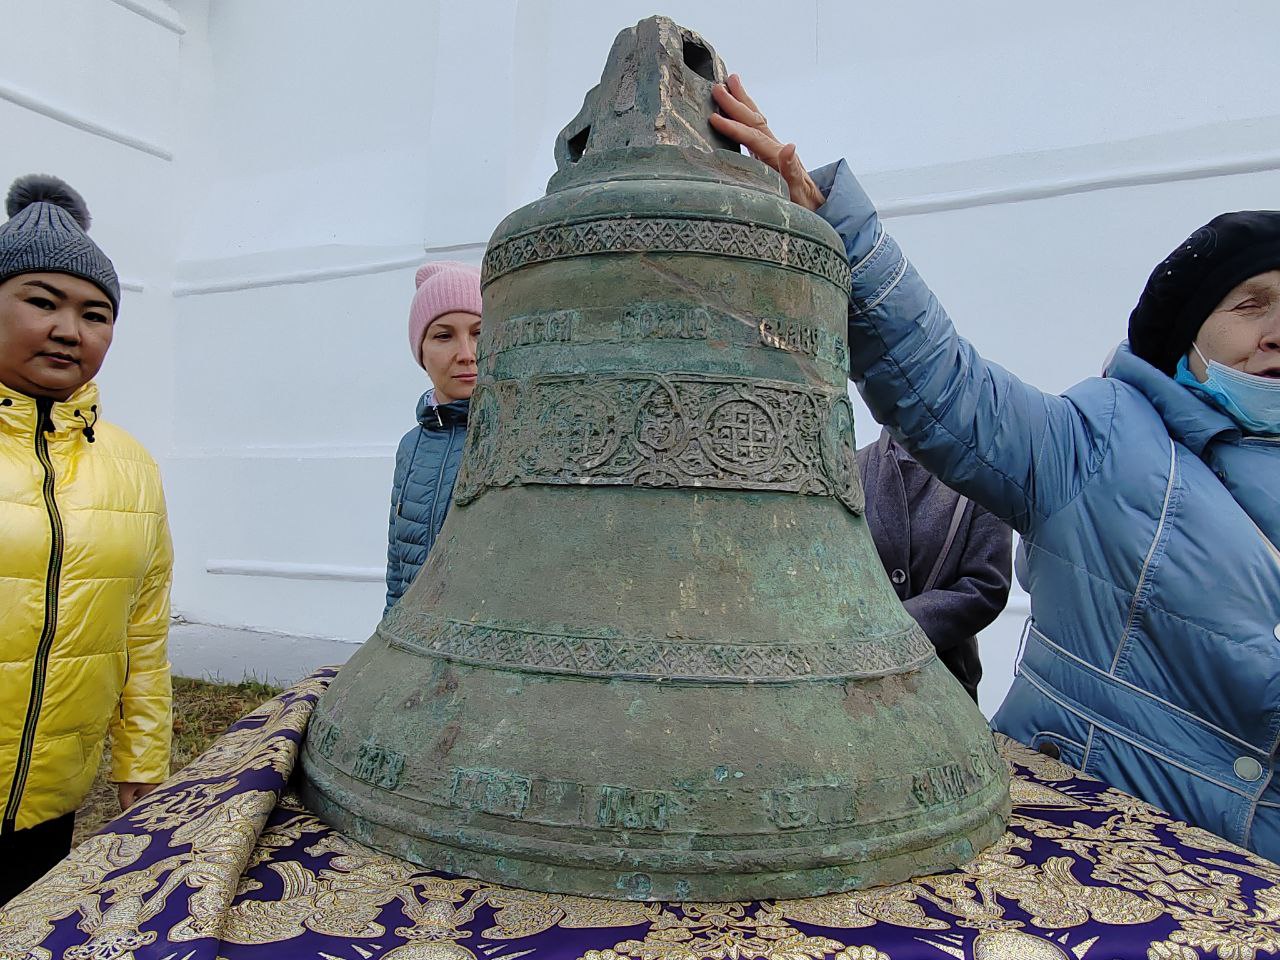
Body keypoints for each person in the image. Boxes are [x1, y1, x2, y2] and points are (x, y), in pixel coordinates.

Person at [711, 76, 1280, 858]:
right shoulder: (1104, 443)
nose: (1277, 331)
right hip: (1100, 848)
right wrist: (835, 230)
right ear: (1187, 333)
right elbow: (948, 388)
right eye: (1251, 304)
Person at [0, 175, 172, 903]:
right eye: (41, 302)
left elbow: (144, 631)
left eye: (95, 313)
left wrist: (143, 763)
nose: (70, 329)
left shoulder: (132, 466)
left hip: (52, 801)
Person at [858, 429, 1012, 703]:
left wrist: (900, 625)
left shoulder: (983, 477)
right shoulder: (854, 468)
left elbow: (988, 585)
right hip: (862, 684)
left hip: (945, 682)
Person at [384, 261, 482, 613]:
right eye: (444, 336)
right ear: (421, 352)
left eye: (479, 333)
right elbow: (398, 569)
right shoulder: (410, 447)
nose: (466, 354)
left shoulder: (513, 439)